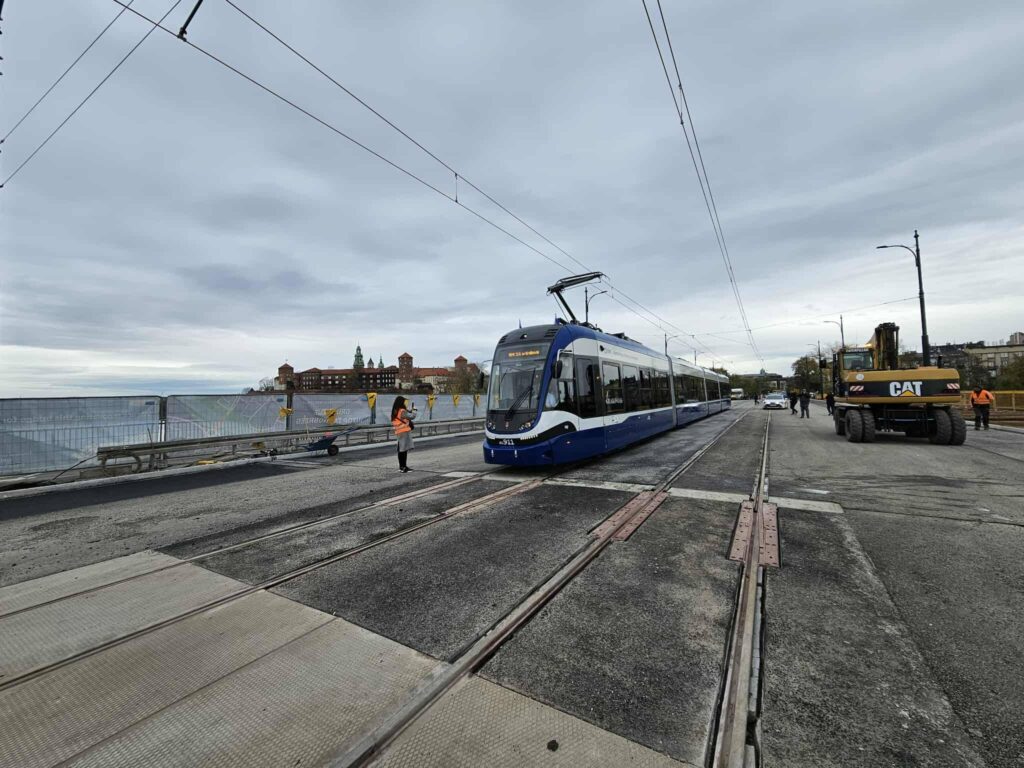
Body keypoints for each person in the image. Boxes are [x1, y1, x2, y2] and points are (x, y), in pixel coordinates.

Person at [391, 396, 417, 472]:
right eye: (404, 402)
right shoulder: (402, 411)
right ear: (401, 402)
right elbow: (412, 416)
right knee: (403, 450)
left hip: (399, 432)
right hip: (404, 431)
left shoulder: (396, 410)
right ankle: (403, 467)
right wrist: (414, 410)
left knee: (401, 449)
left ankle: (402, 467)